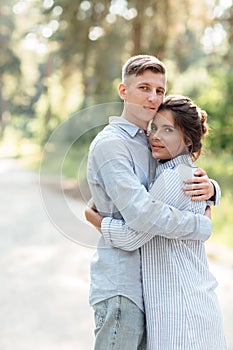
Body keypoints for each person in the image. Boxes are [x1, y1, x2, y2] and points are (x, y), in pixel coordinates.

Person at [86, 55, 220, 350]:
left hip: (152, 290)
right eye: (144, 88)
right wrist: (200, 225)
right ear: (123, 91)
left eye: (159, 90)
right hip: (124, 286)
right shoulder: (113, 144)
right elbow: (143, 214)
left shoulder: (150, 142)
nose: (153, 98)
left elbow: (179, 179)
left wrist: (211, 189)